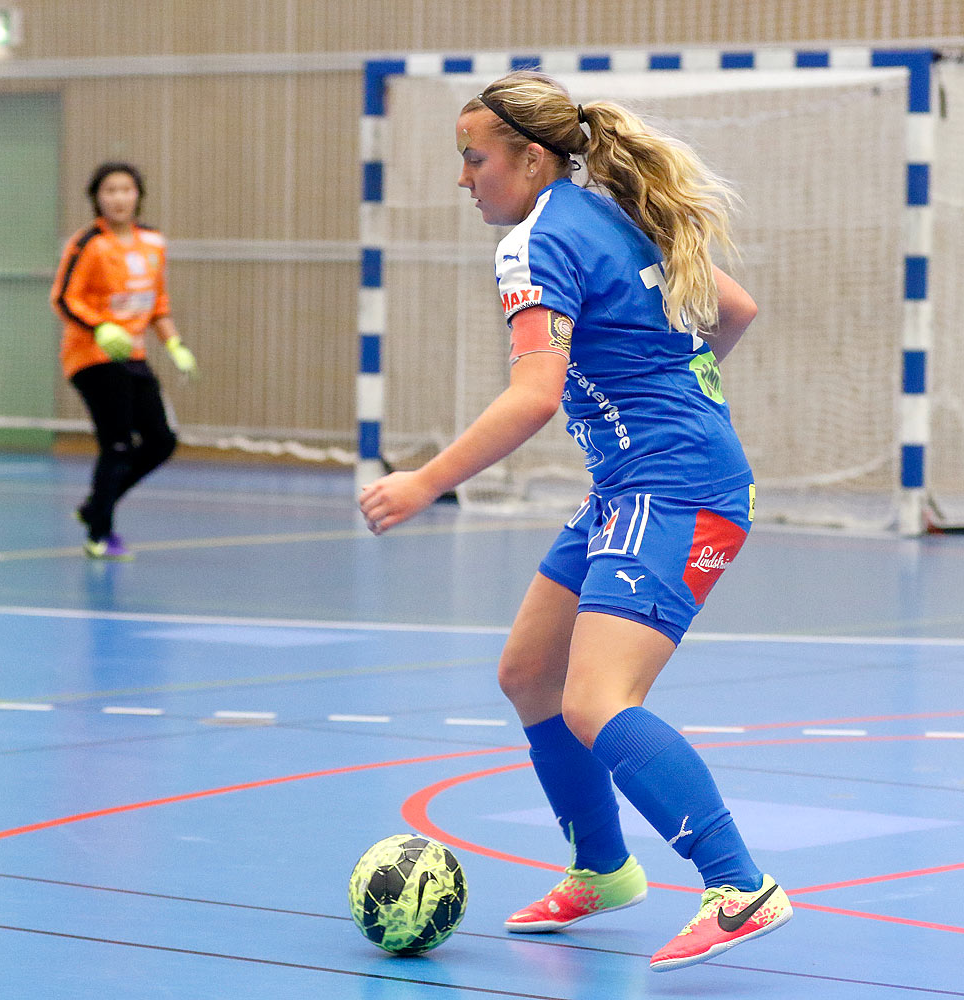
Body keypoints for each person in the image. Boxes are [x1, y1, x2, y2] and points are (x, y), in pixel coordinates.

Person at [358, 71, 791, 972]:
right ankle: (602, 867)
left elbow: (533, 396)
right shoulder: (613, 211)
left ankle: (739, 886)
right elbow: (736, 310)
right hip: (638, 481)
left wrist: (423, 483)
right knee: (529, 675)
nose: (465, 176)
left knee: (597, 702)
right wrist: (674, 387)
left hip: (671, 491)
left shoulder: (534, 242)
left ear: (528, 156)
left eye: (474, 158)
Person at [51, 161, 197, 560]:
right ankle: (100, 534)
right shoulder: (87, 245)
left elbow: (157, 304)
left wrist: (175, 345)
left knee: (161, 441)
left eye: (126, 190)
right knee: (115, 444)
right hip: (91, 356)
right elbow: (64, 298)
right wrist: (100, 327)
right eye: (109, 191)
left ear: (138, 195)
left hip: (133, 354)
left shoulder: (152, 242)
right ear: (97, 198)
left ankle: (94, 506)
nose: (118, 198)